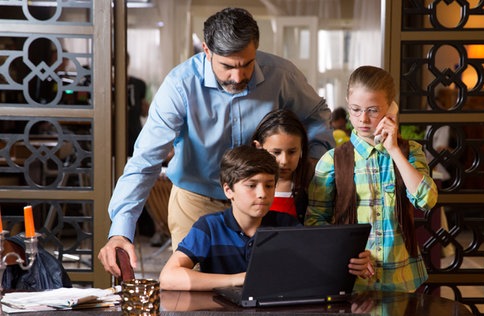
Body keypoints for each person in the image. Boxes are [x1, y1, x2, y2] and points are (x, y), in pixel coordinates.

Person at [98, 7, 334, 278]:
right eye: (228, 66)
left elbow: (316, 116)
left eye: (247, 64)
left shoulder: (281, 74)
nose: (238, 76)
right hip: (196, 199)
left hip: (259, 199)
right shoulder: (180, 85)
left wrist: (313, 162)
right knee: (194, 294)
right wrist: (120, 230)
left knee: (266, 284)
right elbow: (145, 160)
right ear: (207, 50)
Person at [159, 145, 372, 291]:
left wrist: (354, 263)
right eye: (251, 185)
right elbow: (168, 277)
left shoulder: (287, 225)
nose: (262, 193)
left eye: (269, 185)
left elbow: (318, 270)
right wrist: (238, 279)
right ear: (228, 190)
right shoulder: (209, 227)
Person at [304, 66, 438, 292]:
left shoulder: (410, 152)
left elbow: (426, 200)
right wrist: (346, 253)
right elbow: (315, 222)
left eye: (373, 110)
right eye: (355, 109)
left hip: (402, 280)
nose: (363, 119)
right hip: (351, 283)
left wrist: (394, 150)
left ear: (391, 109)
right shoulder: (331, 161)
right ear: (347, 104)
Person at [251, 109, 311, 223]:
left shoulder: (312, 183)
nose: (284, 161)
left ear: (301, 148)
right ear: (258, 147)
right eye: (276, 152)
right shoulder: (244, 186)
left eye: (292, 152)